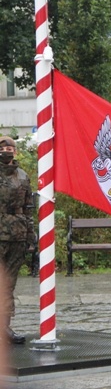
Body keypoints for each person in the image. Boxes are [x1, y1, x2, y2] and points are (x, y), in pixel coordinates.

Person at [0, 136, 34, 344]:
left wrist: (31, 234)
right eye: (4, 148)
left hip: (16, 235)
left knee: (8, 284)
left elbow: (28, 207)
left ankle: (5, 326)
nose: (7, 151)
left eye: (11, 148)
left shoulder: (22, 175)